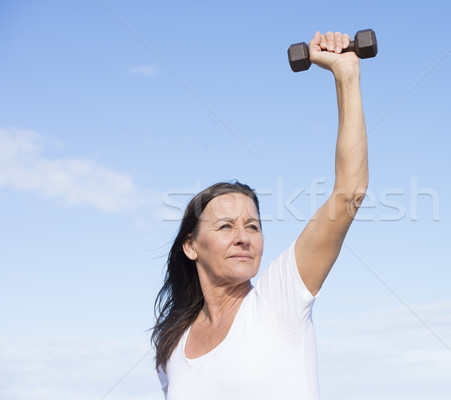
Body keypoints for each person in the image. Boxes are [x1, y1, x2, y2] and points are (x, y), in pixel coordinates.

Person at [151, 30, 369, 399]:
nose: (243, 236)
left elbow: (349, 192)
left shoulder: (278, 299)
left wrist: (346, 75)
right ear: (191, 246)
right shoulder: (172, 346)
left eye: (252, 225)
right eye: (225, 226)